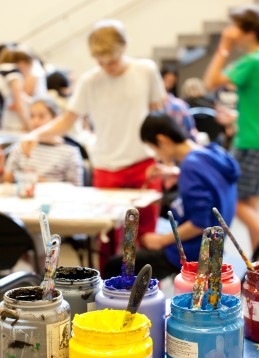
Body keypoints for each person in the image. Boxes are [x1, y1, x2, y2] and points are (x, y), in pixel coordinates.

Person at [21, 19, 166, 266]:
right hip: (106, 167)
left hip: (144, 164)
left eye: (112, 61)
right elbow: (68, 120)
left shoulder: (146, 70)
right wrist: (35, 134)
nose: (107, 67)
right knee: (105, 241)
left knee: (144, 238)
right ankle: (107, 292)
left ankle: (144, 290)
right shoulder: (90, 81)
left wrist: (165, 160)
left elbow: (158, 116)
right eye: (101, 62)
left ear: (124, 49)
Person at [104, 111, 239, 280]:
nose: (156, 156)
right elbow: (211, 182)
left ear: (162, 141)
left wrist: (161, 241)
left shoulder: (190, 167)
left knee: (113, 266)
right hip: (214, 246)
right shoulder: (212, 152)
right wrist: (176, 173)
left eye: (154, 149)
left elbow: (199, 223)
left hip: (192, 252)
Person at [203, 4, 259, 261]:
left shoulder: (251, 60)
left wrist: (224, 45)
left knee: (234, 199)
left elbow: (210, 82)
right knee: (251, 202)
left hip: (249, 142)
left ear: (247, 31)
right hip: (251, 137)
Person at [3, 96, 84, 186]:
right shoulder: (21, 146)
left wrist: (43, 183)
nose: (35, 121)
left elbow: (76, 189)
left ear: (55, 119)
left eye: (41, 116)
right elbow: (7, 181)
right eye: (31, 116)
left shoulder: (70, 152)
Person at [0, 47, 33, 131]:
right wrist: (30, 129)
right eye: (30, 67)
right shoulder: (14, 73)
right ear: (23, 63)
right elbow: (19, 103)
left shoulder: (4, 69)